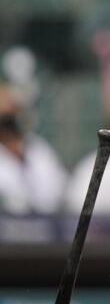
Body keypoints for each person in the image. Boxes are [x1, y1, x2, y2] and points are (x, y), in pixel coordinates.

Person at [0, 82, 67, 214]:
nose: (8, 118)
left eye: (13, 110)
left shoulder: (38, 149)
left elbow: (60, 192)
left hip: (48, 225)